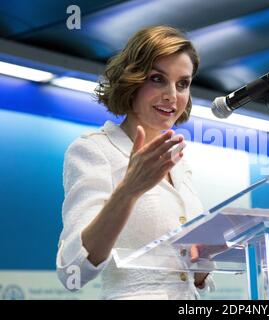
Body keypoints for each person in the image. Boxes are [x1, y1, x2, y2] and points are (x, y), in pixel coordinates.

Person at [56, 25, 214, 300]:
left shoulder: (179, 165)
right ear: (132, 79)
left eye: (182, 84)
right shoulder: (93, 149)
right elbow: (73, 272)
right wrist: (129, 190)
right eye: (157, 79)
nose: (172, 95)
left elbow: (188, 273)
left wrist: (202, 264)